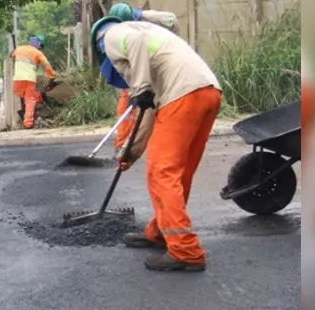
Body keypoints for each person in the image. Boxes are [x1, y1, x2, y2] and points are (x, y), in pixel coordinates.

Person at [91, 15, 222, 272]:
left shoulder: (112, 34)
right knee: (178, 173)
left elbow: (135, 43)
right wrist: (131, 152)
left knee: (162, 173)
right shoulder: (152, 39)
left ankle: (185, 250)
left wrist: (139, 87)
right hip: (207, 92)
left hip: (182, 95)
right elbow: (147, 113)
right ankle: (162, 232)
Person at [106, 3, 178, 159]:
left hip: (153, 76)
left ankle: (131, 146)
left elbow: (171, 19)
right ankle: (124, 144)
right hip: (137, 76)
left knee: (150, 111)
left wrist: (143, 14)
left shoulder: (145, 29)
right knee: (129, 108)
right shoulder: (127, 35)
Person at [9, 34, 56, 129]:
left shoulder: (19, 49)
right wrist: (52, 77)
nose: (40, 49)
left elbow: (11, 56)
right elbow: (47, 66)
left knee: (24, 96)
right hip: (29, 79)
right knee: (30, 100)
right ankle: (28, 123)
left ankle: (25, 111)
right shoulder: (37, 53)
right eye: (41, 46)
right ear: (38, 43)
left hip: (17, 79)